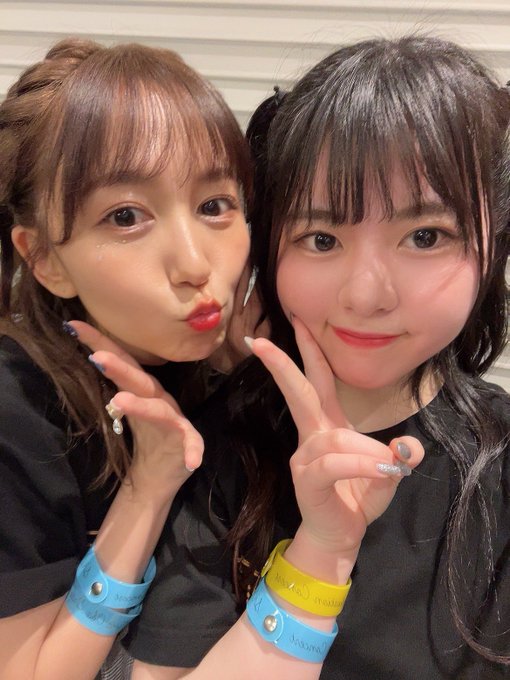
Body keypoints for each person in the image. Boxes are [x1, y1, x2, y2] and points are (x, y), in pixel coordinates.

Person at [122, 36, 510, 679]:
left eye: (425, 236)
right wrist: (324, 552)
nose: (366, 295)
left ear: (492, 246)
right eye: (322, 238)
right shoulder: (216, 447)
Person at [0, 37, 253, 679]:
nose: (194, 264)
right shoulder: (18, 413)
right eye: (125, 217)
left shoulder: (208, 360)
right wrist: (149, 485)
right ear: (44, 259)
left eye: (214, 205)